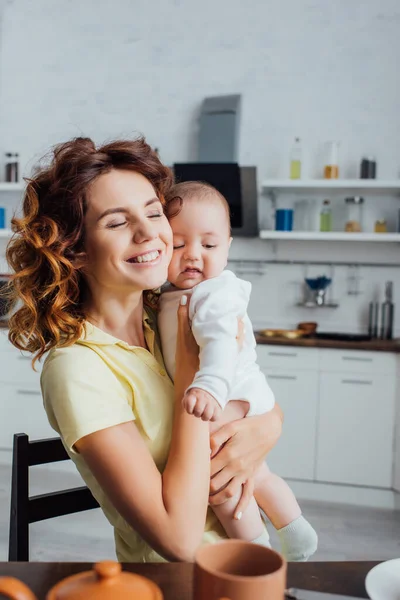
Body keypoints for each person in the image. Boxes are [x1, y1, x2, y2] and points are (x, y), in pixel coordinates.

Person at [5, 136, 283, 563]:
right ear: (74, 249)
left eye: (154, 212)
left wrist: (267, 428)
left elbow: (253, 391)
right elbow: (179, 542)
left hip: (247, 564)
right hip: (177, 582)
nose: (148, 232)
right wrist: (193, 371)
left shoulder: (172, 315)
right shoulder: (78, 368)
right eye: (117, 223)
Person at [158, 181, 318, 561]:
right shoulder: (169, 293)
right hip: (225, 396)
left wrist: (210, 386)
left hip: (226, 394)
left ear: (227, 247)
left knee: (219, 483)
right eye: (179, 245)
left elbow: (220, 343)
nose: (193, 255)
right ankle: (292, 531)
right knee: (254, 473)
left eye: (208, 245)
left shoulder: (214, 293)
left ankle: (255, 553)